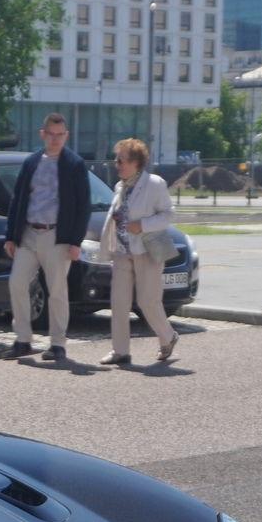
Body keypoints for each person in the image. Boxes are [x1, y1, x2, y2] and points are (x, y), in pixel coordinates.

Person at [3, 112, 93, 361]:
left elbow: (83, 205)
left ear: (66, 135)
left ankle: (57, 343)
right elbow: (18, 199)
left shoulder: (74, 164)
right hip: (29, 233)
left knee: (57, 290)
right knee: (17, 282)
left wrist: (75, 242)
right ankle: (23, 340)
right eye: (51, 135)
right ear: (42, 134)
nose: (55, 139)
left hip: (57, 237)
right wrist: (11, 235)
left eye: (60, 135)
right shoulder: (32, 161)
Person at [96, 137, 178, 366]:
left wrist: (142, 225)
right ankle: (120, 351)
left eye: (121, 160)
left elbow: (169, 215)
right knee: (119, 302)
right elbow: (125, 212)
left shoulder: (154, 184)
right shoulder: (120, 186)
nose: (116, 164)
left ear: (135, 162)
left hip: (146, 250)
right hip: (122, 251)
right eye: (116, 160)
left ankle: (168, 336)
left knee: (148, 301)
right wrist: (118, 218)